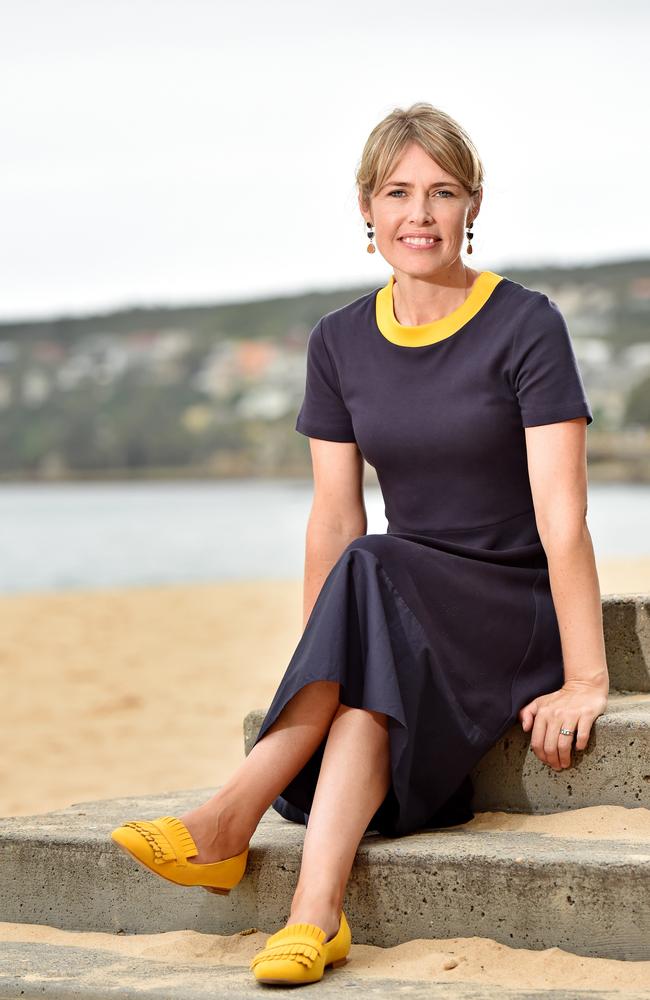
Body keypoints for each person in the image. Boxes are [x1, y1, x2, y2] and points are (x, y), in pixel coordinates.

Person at [110, 102, 610, 986]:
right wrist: (324, 667)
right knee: (367, 611)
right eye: (399, 192)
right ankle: (313, 918)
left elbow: (561, 516)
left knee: (373, 565)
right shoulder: (338, 341)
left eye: (442, 192)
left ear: (472, 206)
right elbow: (335, 517)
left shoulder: (527, 324)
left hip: (503, 601)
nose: (420, 214)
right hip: (398, 595)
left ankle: (230, 818)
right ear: (367, 210)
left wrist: (585, 677)